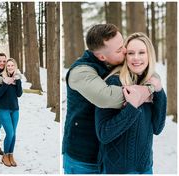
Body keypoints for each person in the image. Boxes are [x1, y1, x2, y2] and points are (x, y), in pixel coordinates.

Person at [62, 24, 158, 174]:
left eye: (123, 44)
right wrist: (148, 90)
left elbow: (145, 70)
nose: (125, 51)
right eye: (120, 50)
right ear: (102, 56)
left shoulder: (115, 60)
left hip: (106, 156)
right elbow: (107, 97)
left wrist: (153, 81)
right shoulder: (80, 72)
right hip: (83, 158)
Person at [95, 32, 167, 174]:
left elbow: (157, 128)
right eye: (131, 53)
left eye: (142, 52)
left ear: (149, 55)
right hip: (116, 170)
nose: (136, 58)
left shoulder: (149, 84)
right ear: (125, 56)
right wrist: (131, 108)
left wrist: (159, 92)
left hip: (145, 168)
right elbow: (103, 134)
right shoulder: (113, 83)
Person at [0, 58, 23, 167]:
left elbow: (19, 94)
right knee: (10, 133)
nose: (10, 67)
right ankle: (5, 155)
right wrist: (6, 83)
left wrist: (18, 81)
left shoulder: (16, 78)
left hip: (15, 109)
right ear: (6, 67)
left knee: (14, 134)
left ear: (15, 67)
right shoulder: (0, 78)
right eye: (8, 65)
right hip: (3, 110)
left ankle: (11, 155)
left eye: (12, 65)